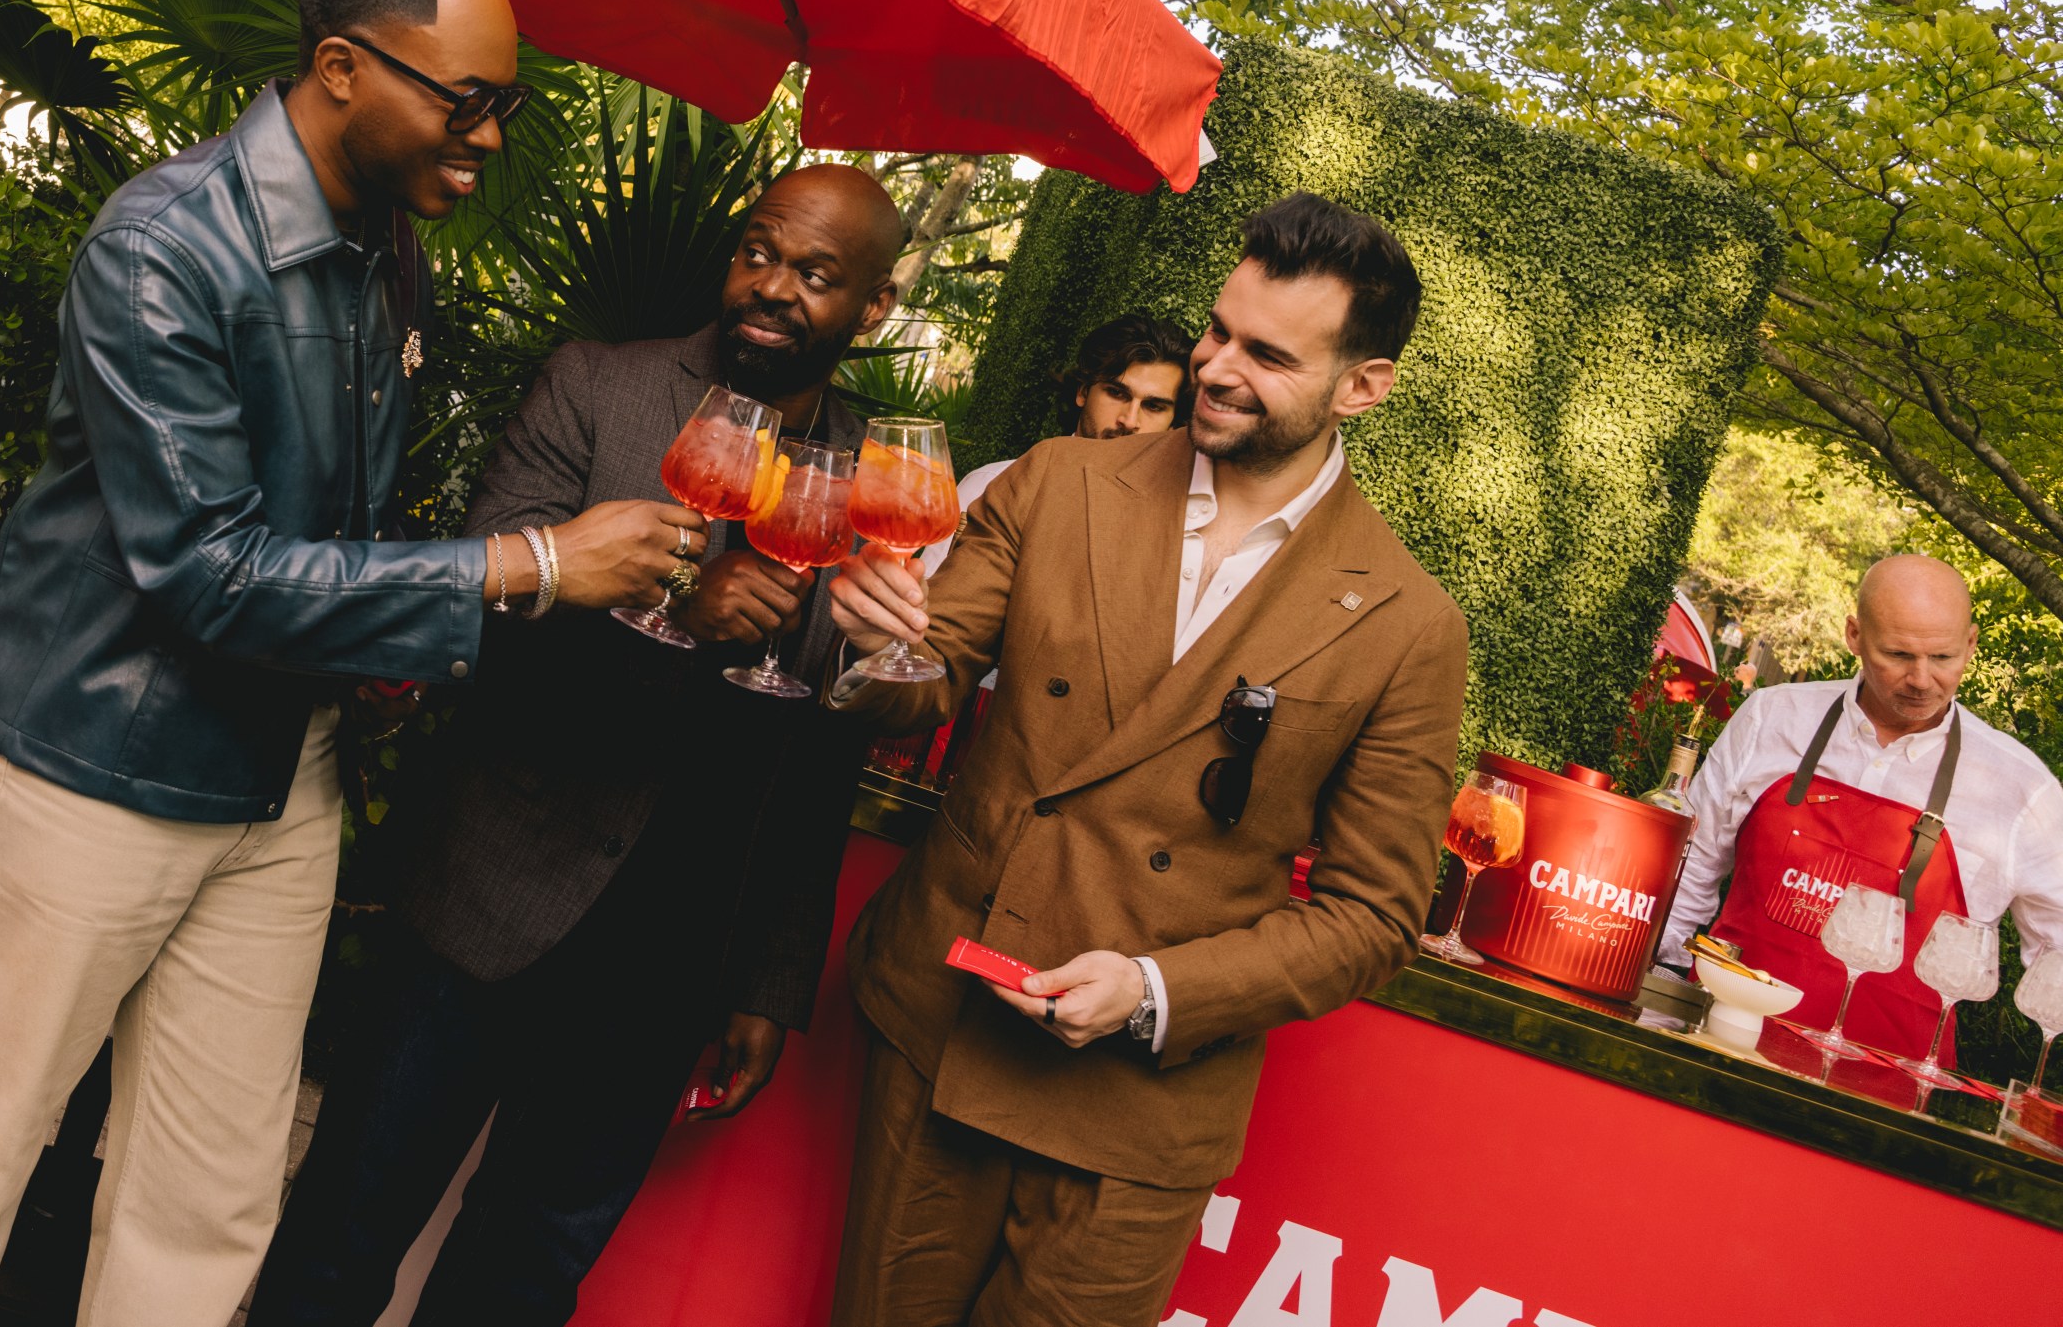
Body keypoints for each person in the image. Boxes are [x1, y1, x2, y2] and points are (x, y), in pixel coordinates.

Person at [0, 0, 700, 1327]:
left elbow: (330, 531)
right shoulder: (165, 244)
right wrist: (527, 564)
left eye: (508, 104)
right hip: (89, 778)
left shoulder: (392, 251)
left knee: (210, 1197)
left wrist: (381, 656)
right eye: (463, 99)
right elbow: (211, 572)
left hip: (281, 785)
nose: (487, 137)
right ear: (344, 68)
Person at [247, 166, 909, 1327]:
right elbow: (478, 600)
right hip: (490, 890)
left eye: (816, 274)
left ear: (875, 308)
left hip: (672, 949)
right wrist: (677, 614)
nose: (773, 287)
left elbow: (816, 762)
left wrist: (766, 976)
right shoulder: (599, 385)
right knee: (349, 1216)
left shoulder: (879, 477)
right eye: (761, 251)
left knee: (528, 1268)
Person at [823, 192, 1468, 1327]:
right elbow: (926, 673)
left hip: (1143, 1112)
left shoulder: (1407, 622)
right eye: (1218, 330)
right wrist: (875, 639)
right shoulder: (1061, 480)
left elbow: (1374, 917)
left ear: (1362, 387)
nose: (1215, 367)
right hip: (950, 1021)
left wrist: (1156, 992)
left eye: (1268, 355)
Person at [1658, 554, 2063, 1059]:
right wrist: (1657, 994)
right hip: (1715, 1045)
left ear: (1971, 644)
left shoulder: (2022, 789)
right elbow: (1686, 870)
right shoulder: (1772, 719)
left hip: (1887, 1105)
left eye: (1943, 658)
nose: (1921, 680)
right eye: (1897, 654)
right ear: (1854, 635)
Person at [935, 313, 1196, 571]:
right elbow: (929, 601)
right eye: (1117, 393)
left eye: (1153, 406)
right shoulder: (990, 485)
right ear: (1083, 392)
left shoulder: (1177, 529)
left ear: (1173, 424)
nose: (1129, 420)